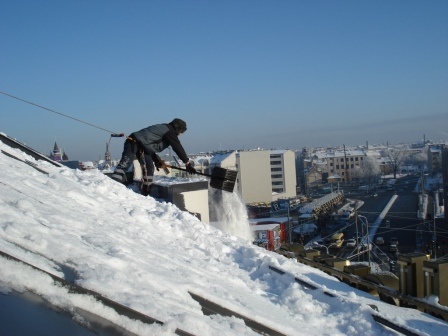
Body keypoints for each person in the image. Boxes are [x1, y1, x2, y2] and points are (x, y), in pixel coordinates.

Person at [111, 118, 196, 195]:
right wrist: (187, 163)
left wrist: (156, 160)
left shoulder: (165, 130)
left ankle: (146, 192)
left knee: (149, 168)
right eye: (181, 132)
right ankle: (111, 189)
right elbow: (177, 147)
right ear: (178, 128)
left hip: (143, 147)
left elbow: (149, 146)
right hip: (133, 141)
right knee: (125, 163)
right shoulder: (169, 131)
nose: (180, 134)